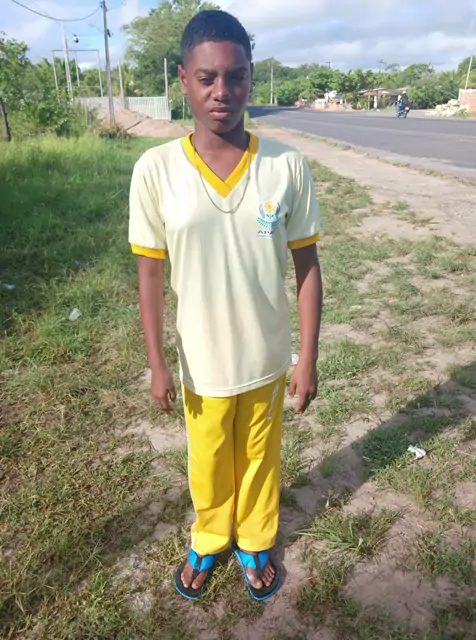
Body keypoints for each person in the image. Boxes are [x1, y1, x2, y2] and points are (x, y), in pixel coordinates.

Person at [129, 9, 323, 602]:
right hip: (202, 359)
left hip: (266, 355)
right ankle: (211, 536)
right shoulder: (156, 169)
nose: (222, 91)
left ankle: (255, 539)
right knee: (209, 456)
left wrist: (308, 357)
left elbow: (308, 266)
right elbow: (150, 274)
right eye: (207, 78)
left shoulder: (285, 165)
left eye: (235, 76)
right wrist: (158, 363)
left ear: (250, 77)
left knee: (261, 455)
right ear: (183, 79)